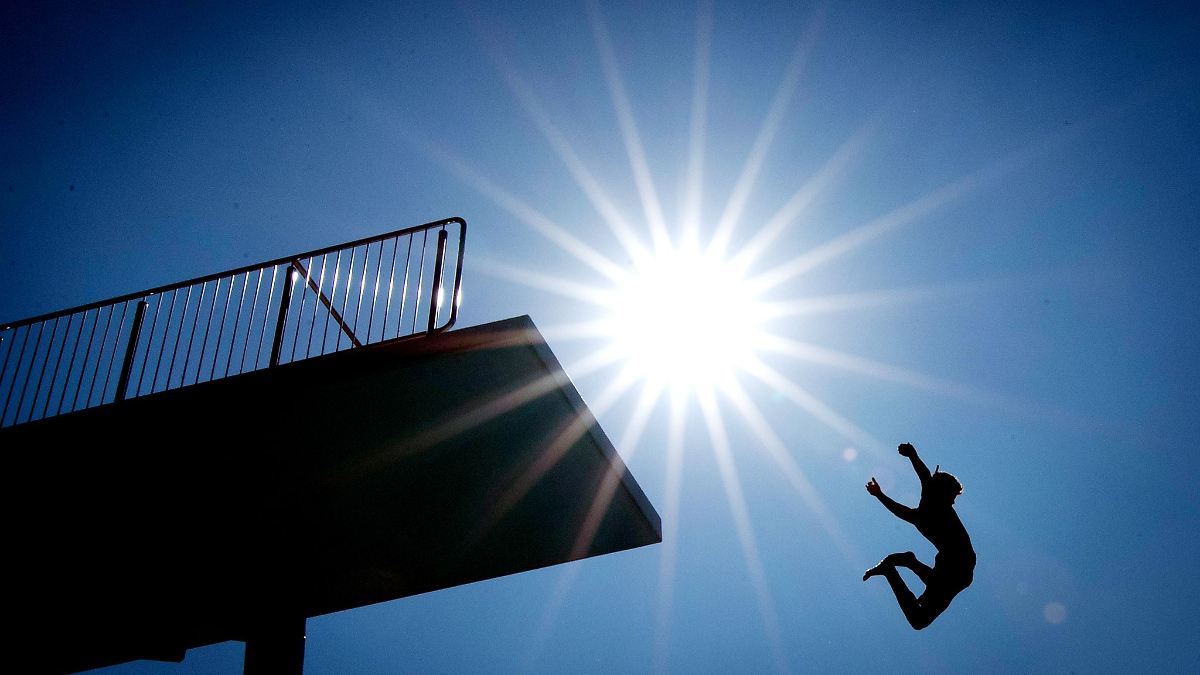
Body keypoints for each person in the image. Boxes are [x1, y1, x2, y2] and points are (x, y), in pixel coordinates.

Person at [862, 443, 975, 629]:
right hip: (956, 567)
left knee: (921, 616)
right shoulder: (936, 501)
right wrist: (912, 455)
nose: (954, 501)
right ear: (944, 490)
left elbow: (900, 509)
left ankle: (907, 563)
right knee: (919, 620)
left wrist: (879, 494)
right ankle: (901, 565)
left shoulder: (921, 516)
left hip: (958, 565)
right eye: (953, 495)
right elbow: (924, 476)